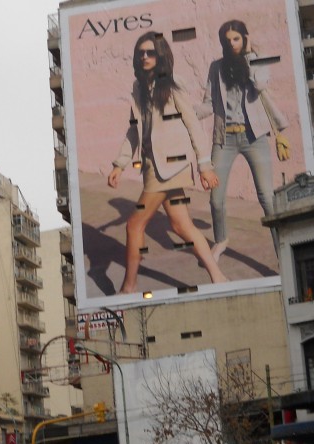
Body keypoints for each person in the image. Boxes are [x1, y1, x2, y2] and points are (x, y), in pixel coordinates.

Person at [108, 30, 228, 293]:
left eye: (150, 52)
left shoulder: (173, 84)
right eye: (141, 53)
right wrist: (120, 163)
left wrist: (205, 165)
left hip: (171, 165)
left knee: (134, 224)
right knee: (181, 225)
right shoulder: (138, 88)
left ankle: (128, 288)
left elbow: (193, 124)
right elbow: (133, 130)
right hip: (153, 166)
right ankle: (218, 277)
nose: (145, 57)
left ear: (160, 56)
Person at [196, 19, 289, 261]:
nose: (232, 43)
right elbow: (208, 103)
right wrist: (182, 115)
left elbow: (260, 84)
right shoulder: (216, 67)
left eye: (236, 38)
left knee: (266, 197)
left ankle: (284, 250)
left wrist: (249, 53)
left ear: (244, 38)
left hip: (254, 136)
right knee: (215, 199)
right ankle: (221, 240)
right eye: (227, 41)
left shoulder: (258, 59)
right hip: (224, 138)